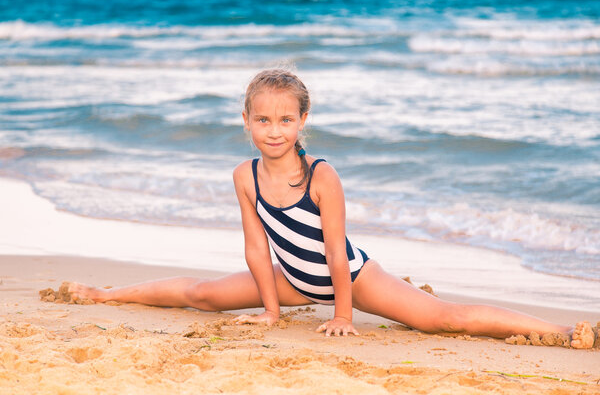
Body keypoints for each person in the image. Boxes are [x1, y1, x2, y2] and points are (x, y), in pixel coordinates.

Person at [69, 69, 595, 349]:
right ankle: (103, 294)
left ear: (302, 121)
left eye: (285, 120)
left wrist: (344, 314)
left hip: (351, 275)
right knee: (202, 294)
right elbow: (256, 247)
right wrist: (272, 311)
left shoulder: (322, 174)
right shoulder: (243, 176)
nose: (274, 131)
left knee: (442, 321)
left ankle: (563, 333)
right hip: (293, 279)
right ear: (246, 120)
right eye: (263, 120)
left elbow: (333, 248)